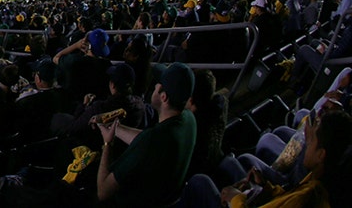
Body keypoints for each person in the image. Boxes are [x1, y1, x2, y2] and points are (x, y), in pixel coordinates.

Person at [180, 109, 351, 208]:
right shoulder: (315, 180)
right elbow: (285, 200)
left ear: (321, 154)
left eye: (311, 141)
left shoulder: (307, 197)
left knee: (199, 182)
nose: (306, 145)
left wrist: (236, 199)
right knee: (231, 165)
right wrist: (267, 188)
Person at [95, 62, 197, 207]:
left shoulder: (152, 141)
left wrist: (107, 143)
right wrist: (115, 127)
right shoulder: (188, 119)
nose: (154, 87)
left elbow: (103, 191)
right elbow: (146, 139)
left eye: (157, 84)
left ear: (163, 97)